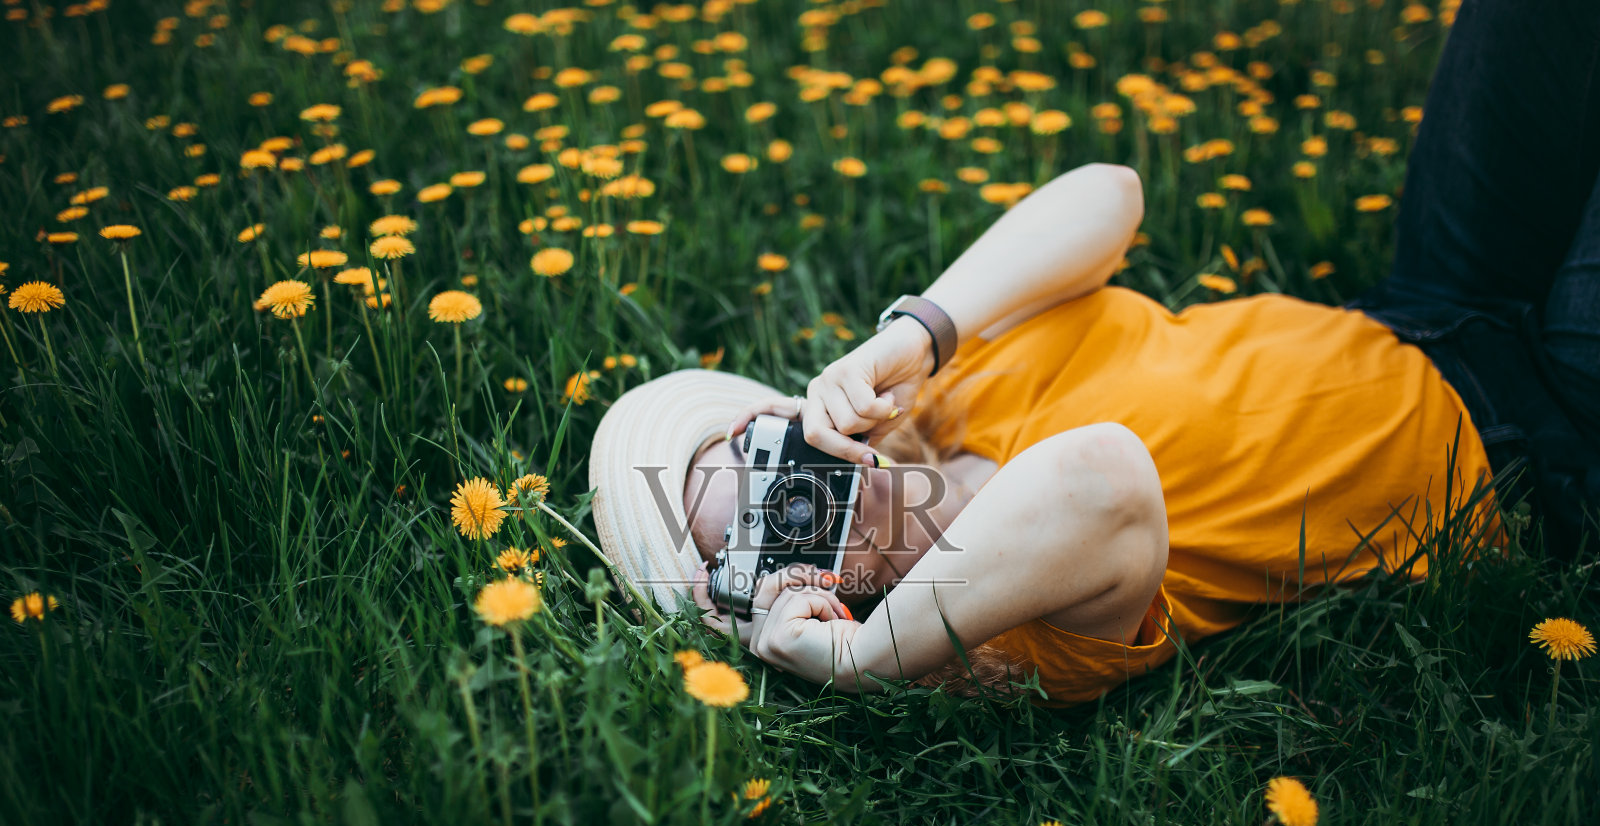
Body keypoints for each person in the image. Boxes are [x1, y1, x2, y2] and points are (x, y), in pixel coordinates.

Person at [587, 0, 1600, 707]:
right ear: (770, 597)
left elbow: (1111, 194)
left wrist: (920, 330)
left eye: (764, 455)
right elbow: (1103, 476)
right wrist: (858, 660)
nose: (801, 492)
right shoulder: (999, 624)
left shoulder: (940, 392)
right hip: (1542, 427)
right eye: (770, 530)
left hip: (1425, 299)